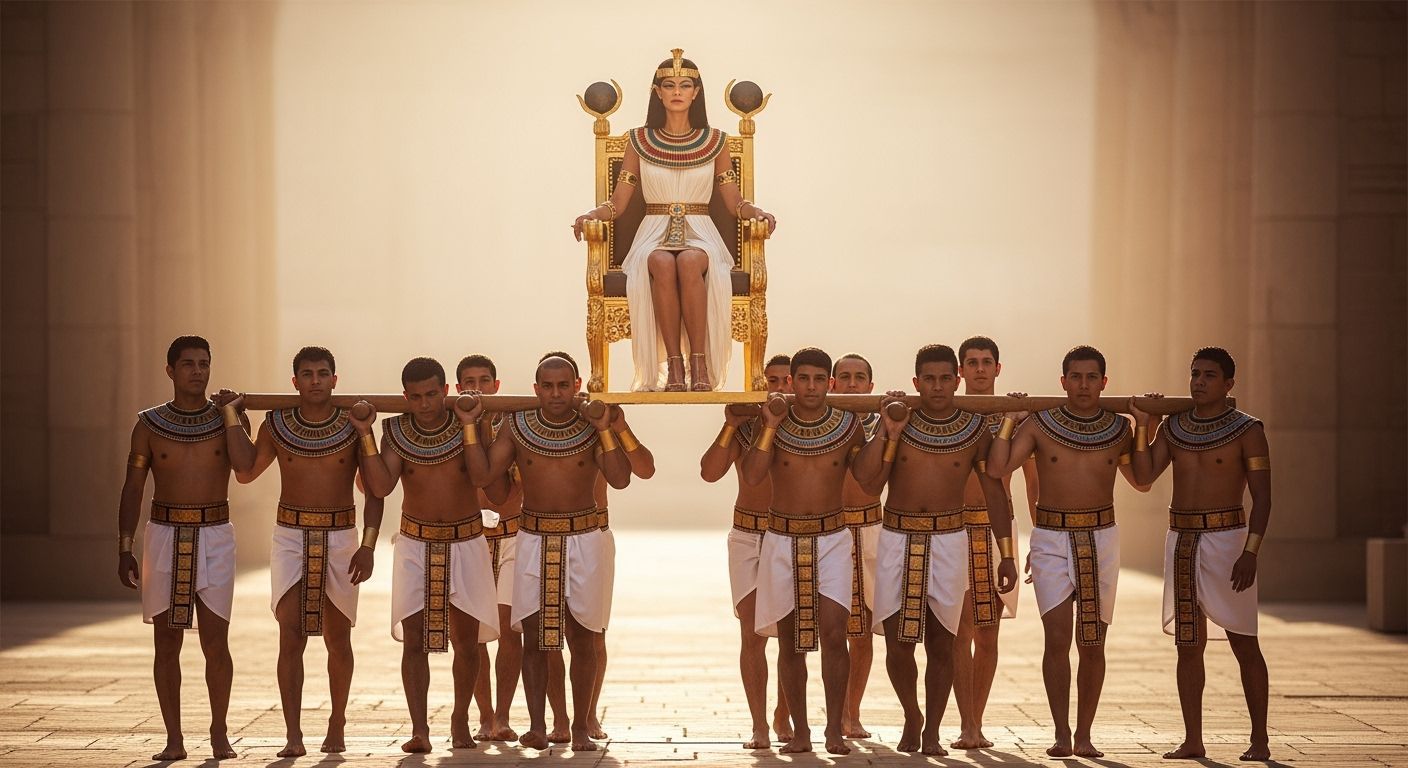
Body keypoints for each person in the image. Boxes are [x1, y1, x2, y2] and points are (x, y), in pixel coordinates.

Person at [572, 48, 777, 391]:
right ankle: (675, 366)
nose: (678, 92)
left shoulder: (717, 142)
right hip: (652, 232)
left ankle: (700, 366)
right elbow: (618, 203)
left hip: (701, 233)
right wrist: (592, 214)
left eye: (685, 86)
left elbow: (733, 202)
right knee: (661, 262)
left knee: (691, 261)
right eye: (669, 86)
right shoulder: (638, 142)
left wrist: (755, 211)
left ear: (696, 93)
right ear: (658, 93)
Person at [986, 345, 1150, 758]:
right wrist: (1009, 420)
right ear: (1062, 382)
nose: (1083, 385)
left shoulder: (1118, 428)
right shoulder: (1041, 425)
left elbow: (1143, 480)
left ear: (1103, 382)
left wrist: (1146, 426)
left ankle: (1084, 734)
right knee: (1056, 638)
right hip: (1051, 537)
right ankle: (1061, 732)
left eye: (1091, 377)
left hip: (1101, 536)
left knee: (1092, 642)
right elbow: (997, 468)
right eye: (1075, 377)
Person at [853, 344, 1018, 756]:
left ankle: (932, 730)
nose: (938, 386)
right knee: (897, 643)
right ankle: (912, 715)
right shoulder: (899, 421)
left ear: (956, 379)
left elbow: (996, 494)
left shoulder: (974, 429)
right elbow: (868, 483)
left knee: (943, 643)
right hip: (897, 535)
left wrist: (1008, 554)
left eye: (946, 378)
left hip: (949, 538)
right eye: (929, 378)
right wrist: (886, 432)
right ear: (916, 382)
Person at [463, 355, 630, 751]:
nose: (556, 394)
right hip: (534, 535)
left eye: (563, 385)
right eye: (548, 386)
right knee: (537, 636)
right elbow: (485, 476)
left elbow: (621, 478)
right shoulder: (518, 425)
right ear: (536, 389)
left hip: (585, 536)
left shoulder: (592, 423)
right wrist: (470, 426)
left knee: (583, 636)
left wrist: (605, 429)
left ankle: (582, 727)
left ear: (576, 385)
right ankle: (537, 726)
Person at [230, 346, 383, 756]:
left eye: (322, 373)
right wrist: (232, 417)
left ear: (336, 379)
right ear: (294, 381)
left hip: (341, 536)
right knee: (290, 636)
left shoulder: (355, 424)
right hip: (290, 536)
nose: (315, 380)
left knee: (338, 638)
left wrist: (368, 545)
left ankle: (337, 722)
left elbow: (376, 491)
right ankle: (293, 734)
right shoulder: (276, 423)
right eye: (307, 374)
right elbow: (245, 473)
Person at [1128, 347, 1272, 762]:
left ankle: (1259, 738)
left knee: (1244, 642)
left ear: (1229, 385)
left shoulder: (1248, 430)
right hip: (1182, 540)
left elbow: (1263, 497)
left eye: (1209, 375)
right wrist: (1145, 425)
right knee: (1188, 647)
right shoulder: (1173, 428)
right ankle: (1193, 739)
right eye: (1194, 374)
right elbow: (1142, 478)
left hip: (1230, 542)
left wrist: (1251, 551)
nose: (1199, 382)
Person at [114, 335, 254, 761]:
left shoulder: (228, 418)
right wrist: (125, 546)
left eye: (204, 363)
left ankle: (219, 731)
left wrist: (233, 415)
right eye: (189, 364)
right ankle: (173, 738)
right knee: (166, 642)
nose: (198, 371)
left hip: (215, 532)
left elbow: (246, 467)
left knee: (216, 640)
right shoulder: (149, 424)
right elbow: (133, 487)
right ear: (170, 370)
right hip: (164, 532)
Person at [365, 357, 500, 753]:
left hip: (466, 540)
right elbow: (380, 485)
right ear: (405, 397)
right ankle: (419, 728)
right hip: (415, 543)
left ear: (446, 391)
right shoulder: (394, 430)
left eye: (431, 394)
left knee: (468, 640)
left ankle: (460, 719)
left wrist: (472, 425)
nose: (424, 404)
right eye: (415, 397)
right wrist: (364, 435)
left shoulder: (470, 424)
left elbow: (481, 478)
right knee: (414, 641)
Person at [741, 347, 862, 755]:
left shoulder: (848, 424)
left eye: (818, 379)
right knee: (790, 640)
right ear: (791, 382)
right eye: (803, 379)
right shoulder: (773, 421)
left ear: (829, 383)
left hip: (832, 538)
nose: (810, 387)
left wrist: (889, 432)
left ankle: (833, 730)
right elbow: (755, 475)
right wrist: (770, 426)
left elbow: (869, 479)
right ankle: (801, 732)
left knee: (834, 633)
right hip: (781, 538)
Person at [698, 353, 795, 748]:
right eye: (770, 380)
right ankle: (759, 724)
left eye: (785, 380)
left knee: (791, 635)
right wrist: (729, 424)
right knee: (752, 634)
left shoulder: (811, 425)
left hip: (792, 534)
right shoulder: (745, 428)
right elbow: (709, 472)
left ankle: (784, 714)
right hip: (748, 534)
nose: (778, 387)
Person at [951, 336, 1038, 749]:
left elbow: (1033, 486)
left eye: (987, 362)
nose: (980, 369)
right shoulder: (946, 412)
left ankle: (976, 721)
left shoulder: (1018, 418)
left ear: (998, 369)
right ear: (961, 371)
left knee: (988, 633)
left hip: (996, 530)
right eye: (973, 362)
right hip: (952, 529)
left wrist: (1040, 540)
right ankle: (966, 723)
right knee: (959, 629)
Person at [830, 353, 882, 739]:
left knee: (861, 633)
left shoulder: (887, 424)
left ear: (870, 384)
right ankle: (784, 712)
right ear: (832, 383)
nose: (851, 383)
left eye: (858, 377)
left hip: (871, 530)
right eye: (844, 377)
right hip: (826, 531)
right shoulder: (816, 420)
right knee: (807, 631)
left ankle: (852, 712)